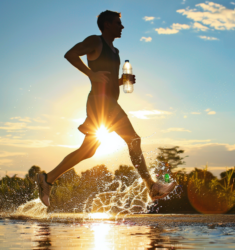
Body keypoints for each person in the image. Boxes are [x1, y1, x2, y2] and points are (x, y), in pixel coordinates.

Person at [36, 10, 176, 207]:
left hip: (107, 102)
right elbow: (70, 54)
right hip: (101, 102)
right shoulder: (96, 41)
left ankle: (47, 178)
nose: (122, 27)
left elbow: (107, 81)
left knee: (88, 151)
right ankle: (151, 186)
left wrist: (121, 81)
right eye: (118, 23)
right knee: (133, 139)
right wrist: (89, 73)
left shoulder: (115, 51)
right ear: (107, 25)